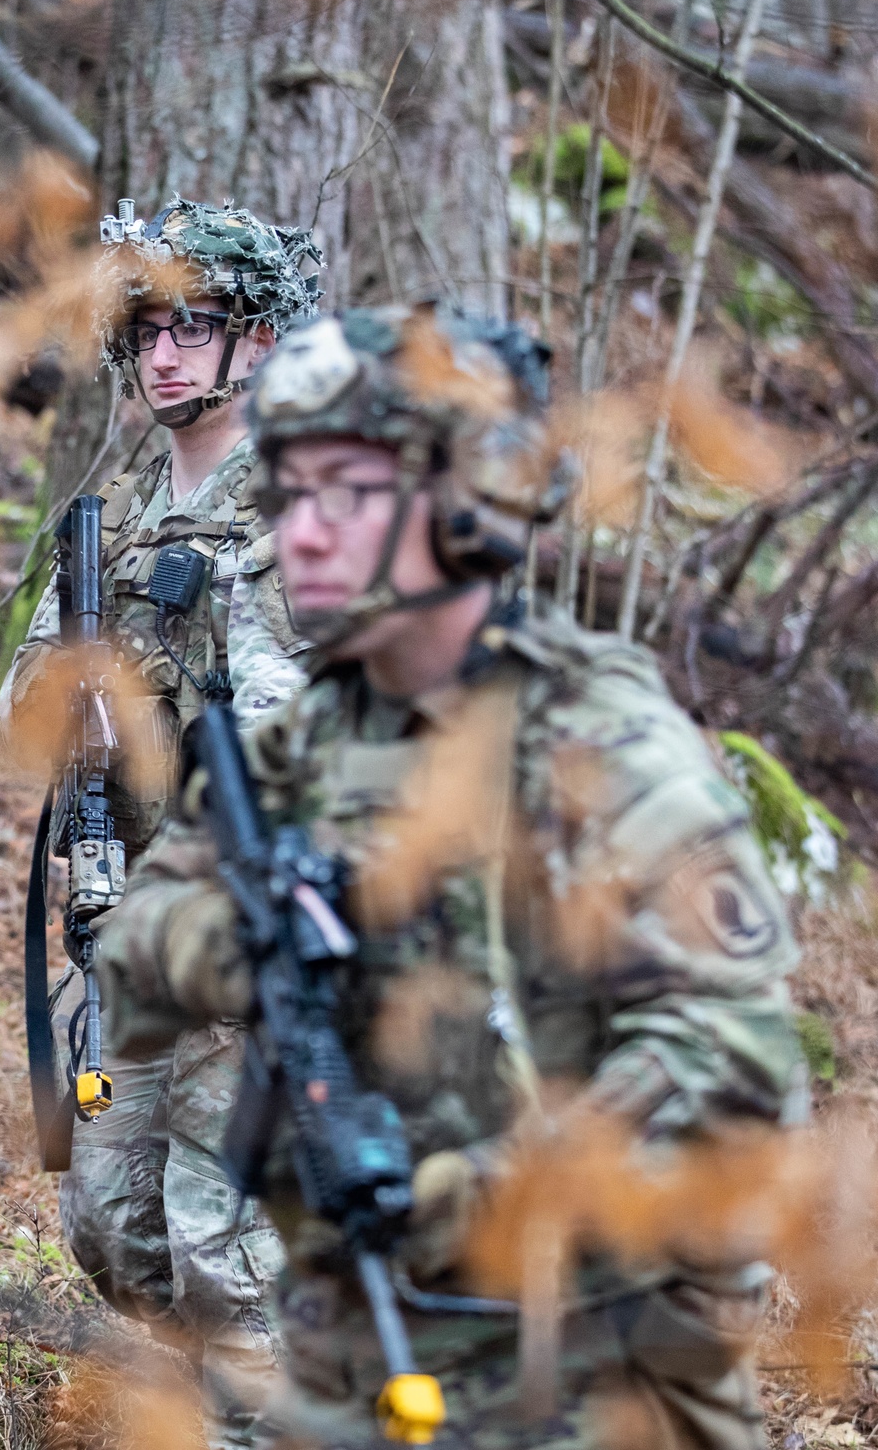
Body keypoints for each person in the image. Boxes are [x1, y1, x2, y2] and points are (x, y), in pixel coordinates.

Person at [93, 304, 807, 1450]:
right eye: (286, 490)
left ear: (463, 505)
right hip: (351, 1352)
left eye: (345, 493)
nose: (301, 533)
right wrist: (251, 942)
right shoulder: (300, 744)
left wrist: (478, 1188)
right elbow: (134, 956)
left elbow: (736, 1075)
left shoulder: (597, 747)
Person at [0, 198, 323, 1448]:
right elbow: (31, 693)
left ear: (255, 337)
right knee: (112, 1229)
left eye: (196, 323)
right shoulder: (116, 517)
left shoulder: (300, 504)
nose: (167, 350)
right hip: (127, 928)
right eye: (144, 328)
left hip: (248, 936)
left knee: (224, 1251)